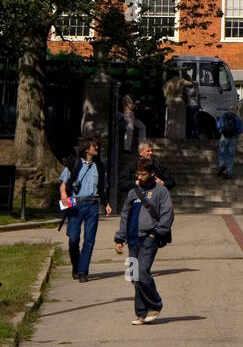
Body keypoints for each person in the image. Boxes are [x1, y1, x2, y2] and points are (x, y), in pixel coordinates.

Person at [114, 159, 174, 324]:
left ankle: (155, 304)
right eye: (137, 174)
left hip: (149, 238)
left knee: (142, 271)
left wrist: (156, 233)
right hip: (133, 239)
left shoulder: (161, 191)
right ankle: (141, 313)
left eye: (143, 174)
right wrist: (120, 238)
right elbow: (125, 214)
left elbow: (167, 214)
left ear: (152, 173)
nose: (139, 177)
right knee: (134, 276)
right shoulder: (134, 191)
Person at [59, 137, 112, 281]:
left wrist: (106, 203)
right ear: (86, 149)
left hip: (92, 204)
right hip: (75, 203)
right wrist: (63, 194)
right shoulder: (74, 163)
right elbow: (63, 184)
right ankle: (75, 266)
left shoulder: (100, 166)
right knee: (73, 237)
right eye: (94, 146)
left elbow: (102, 187)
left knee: (89, 239)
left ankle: (83, 271)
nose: (97, 148)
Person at [217, 107, 243, 178]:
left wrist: (222, 131)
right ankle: (229, 172)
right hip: (233, 137)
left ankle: (221, 165)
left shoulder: (223, 117)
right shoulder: (237, 118)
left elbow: (218, 126)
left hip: (224, 136)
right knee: (231, 155)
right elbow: (240, 130)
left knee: (221, 152)